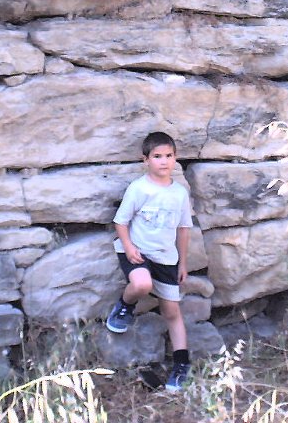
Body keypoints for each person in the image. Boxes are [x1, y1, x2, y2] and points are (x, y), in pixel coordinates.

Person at [105, 131, 192, 392]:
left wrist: (183, 263)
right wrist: (129, 247)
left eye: (169, 156)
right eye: (157, 156)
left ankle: (181, 364)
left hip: (166, 258)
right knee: (141, 284)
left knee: (172, 312)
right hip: (137, 252)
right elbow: (120, 222)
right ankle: (124, 305)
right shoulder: (139, 188)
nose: (163, 162)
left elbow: (184, 229)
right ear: (146, 160)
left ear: (175, 158)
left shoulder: (179, 194)